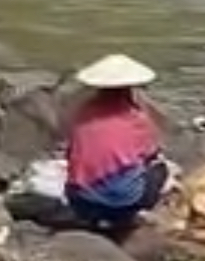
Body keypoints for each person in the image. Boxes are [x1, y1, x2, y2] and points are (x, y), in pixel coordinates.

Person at [64, 53, 169, 230]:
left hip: (81, 202)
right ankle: (128, 219)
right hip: (123, 205)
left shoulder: (83, 114)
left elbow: (71, 153)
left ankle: (93, 220)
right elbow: (150, 153)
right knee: (160, 170)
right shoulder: (136, 119)